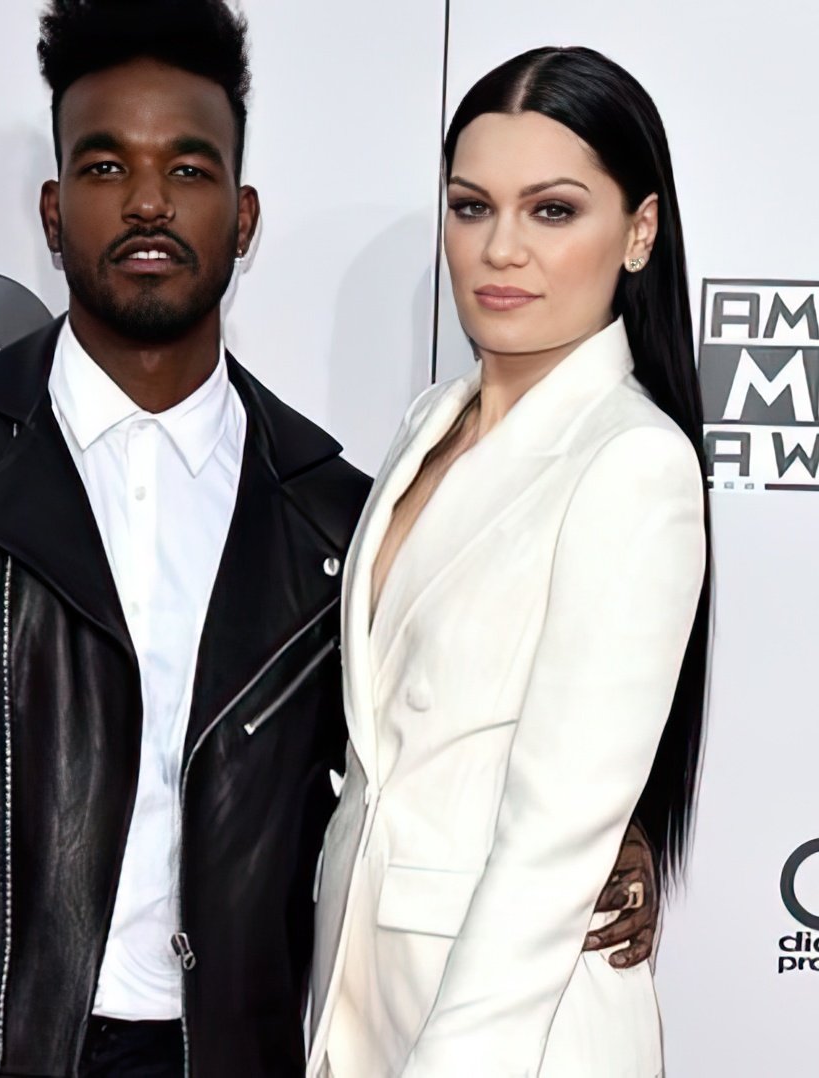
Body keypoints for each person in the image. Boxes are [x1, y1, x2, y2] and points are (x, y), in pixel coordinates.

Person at [0, 5, 651, 1077]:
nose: (149, 201)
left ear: (243, 217)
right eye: (106, 166)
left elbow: (416, 767)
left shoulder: (331, 518)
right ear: (53, 212)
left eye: (189, 169)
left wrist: (601, 843)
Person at [306, 46, 714, 1078]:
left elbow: (552, 842)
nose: (500, 249)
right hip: (364, 1004)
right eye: (471, 206)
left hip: (511, 1034)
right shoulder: (427, 425)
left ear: (640, 232)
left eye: (552, 211)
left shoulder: (632, 462)